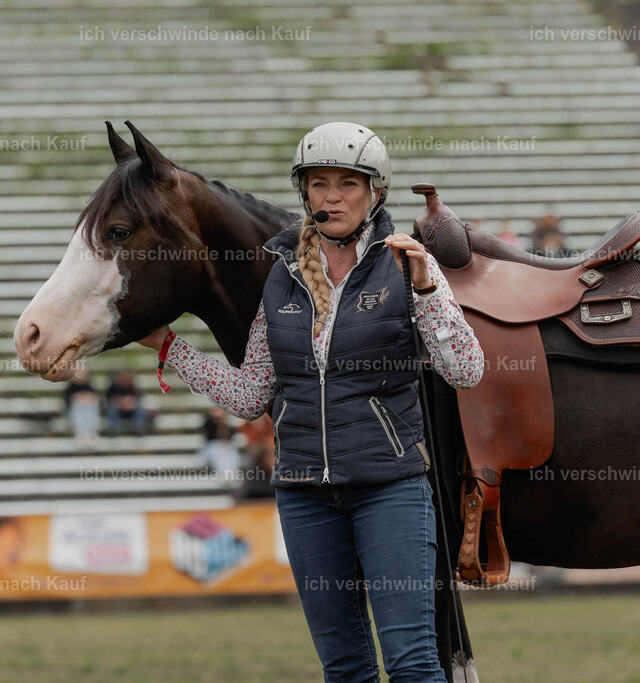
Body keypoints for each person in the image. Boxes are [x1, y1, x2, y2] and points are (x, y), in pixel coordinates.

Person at [139, 122, 484, 682]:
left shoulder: (408, 267)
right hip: (304, 498)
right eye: (319, 183)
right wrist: (172, 348)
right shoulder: (281, 279)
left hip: (389, 489)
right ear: (305, 194)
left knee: (413, 663)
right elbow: (251, 394)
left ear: (375, 192)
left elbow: (466, 370)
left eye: (348, 183)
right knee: (344, 668)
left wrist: (426, 290)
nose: (332, 196)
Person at [64, 365, 100, 446]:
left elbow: (95, 398)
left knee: (91, 405)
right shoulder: (69, 388)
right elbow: (68, 402)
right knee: (78, 406)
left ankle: (90, 432)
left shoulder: (89, 387)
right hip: (74, 413)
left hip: (88, 412)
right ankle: (81, 433)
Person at [105, 369, 149, 436]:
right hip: (118, 411)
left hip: (131, 411)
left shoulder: (133, 387)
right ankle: (113, 431)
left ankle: (139, 429)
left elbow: (137, 399)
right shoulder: (113, 387)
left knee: (139, 407)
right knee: (112, 407)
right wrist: (121, 402)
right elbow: (109, 399)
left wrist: (129, 403)